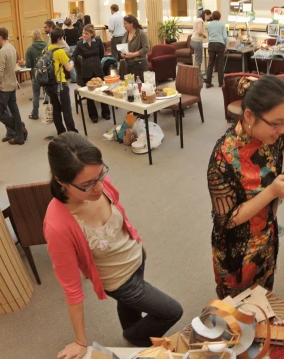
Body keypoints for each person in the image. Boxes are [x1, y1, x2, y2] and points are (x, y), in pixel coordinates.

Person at [44, 133, 183, 358]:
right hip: (119, 281)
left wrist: (136, 241)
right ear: (61, 181)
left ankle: (130, 331)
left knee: (129, 308)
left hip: (136, 258)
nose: (99, 187)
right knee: (172, 311)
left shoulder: (99, 182)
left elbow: (119, 216)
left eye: (101, 175)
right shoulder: (58, 225)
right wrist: (81, 341)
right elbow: (71, 288)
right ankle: (136, 337)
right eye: (87, 184)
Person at [207, 76, 284, 298]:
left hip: (267, 238)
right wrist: (272, 191)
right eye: (277, 123)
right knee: (236, 313)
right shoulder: (224, 156)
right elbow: (228, 219)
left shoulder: (275, 139)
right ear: (249, 116)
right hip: (236, 252)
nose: (283, 130)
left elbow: (280, 169)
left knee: (262, 301)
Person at [0, 28, 27, 145]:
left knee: (0, 114)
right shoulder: (12, 48)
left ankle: (20, 129)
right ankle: (19, 136)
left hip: (4, 87)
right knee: (14, 110)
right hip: (12, 84)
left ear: (0, 37)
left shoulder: (3, 51)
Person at [73, 25, 110, 123]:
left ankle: (106, 112)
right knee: (89, 95)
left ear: (92, 34)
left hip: (98, 69)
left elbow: (102, 53)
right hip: (86, 71)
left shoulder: (98, 41)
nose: (84, 35)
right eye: (83, 33)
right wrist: (71, 62)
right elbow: (74, 55)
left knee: (102, 91)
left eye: (86, 33)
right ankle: (93, 115)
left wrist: (96, 61)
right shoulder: (80, 44)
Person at [48, 28, 78, 136]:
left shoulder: (46, 49)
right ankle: (72, 132)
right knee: (66, 109)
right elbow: (69, 68)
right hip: (60, 83)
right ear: (60, 39)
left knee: (56, 109)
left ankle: (61, 131)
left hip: (49, 83)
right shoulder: (60, 52)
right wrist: (72, 63)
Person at [24, 28, 48, 120]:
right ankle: (49, 113)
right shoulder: (47, 46)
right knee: (47, 93)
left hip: (36, 75)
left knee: (36, 95)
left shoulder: (30, 49)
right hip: (46, 74)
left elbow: (28, 65)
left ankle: (35, 114)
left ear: (32, 37)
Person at [122, 15, 150, 81]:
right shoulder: (126, 34)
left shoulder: (141, 33)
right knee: (130, 85)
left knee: (140, 86)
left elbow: (146, 48)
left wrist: (133, 54)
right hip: (128, 64)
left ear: (131, 24)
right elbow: (124, 46)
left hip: (139, 64)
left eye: (125, 23)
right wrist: (123, 54)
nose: (124, 25)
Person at [204, 11, 227, 88]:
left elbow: (209, 34)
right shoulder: (222, 24)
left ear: (212, 17)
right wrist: (225, 45)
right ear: (220, 17)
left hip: (211, 44)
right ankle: (221, 83)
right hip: (220, 43)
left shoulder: (208, 25)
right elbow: (225, 37)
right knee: (220, 64)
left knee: (210, 63)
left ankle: (208, 83)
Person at [191, 9, 212, 79]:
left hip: (193, 40)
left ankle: (199, 76)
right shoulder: (200, 20)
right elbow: (199, 31)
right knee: (198, 60)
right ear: (205, 14)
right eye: (209, 16)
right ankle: (195, 76)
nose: (209, 18)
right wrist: (204, 35)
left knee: (197, 59)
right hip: (197, 41)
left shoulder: (198, 19)